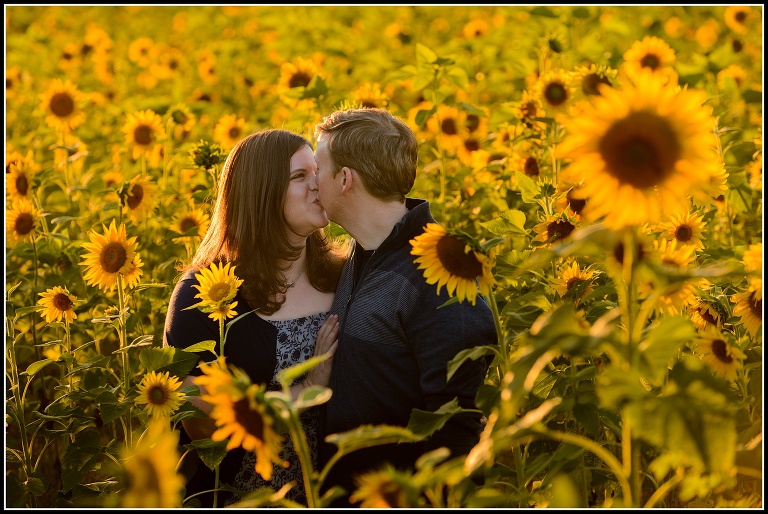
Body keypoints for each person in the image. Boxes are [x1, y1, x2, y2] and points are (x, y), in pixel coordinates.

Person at [313, 108, 496, 507]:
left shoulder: (437, 273)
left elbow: (457, 427)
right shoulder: (361, 252)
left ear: (345, 180)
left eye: (317, 168)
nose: (313, 180)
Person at [163, 128, 346, 507]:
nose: (318, 185)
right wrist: (305, 391)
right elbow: (203, 426)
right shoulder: (206, 295)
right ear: (262, 194)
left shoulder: (346, 277)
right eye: (300, 177)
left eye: (318, 171)